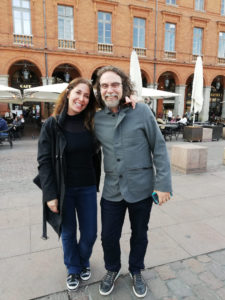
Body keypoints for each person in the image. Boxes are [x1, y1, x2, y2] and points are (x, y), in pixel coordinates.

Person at [94, 66, 172, 298]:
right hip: (112, 189)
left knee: (140, 233)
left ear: (124, 87)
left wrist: (164, 184)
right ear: (99, 90)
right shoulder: (96, 118)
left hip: (141, 187)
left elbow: (158, 147)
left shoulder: (143, 112)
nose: (110, 90)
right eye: (105, 86)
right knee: (108, 235)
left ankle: (136, 270)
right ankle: (112, 268)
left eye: (115, 85)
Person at [36, 78, 101, 291]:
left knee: (90, 233)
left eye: (86, 96)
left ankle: (82, 260)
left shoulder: (91, 122)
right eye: (78, 93)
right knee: (68, 232)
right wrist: (50, 194)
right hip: (64, 189)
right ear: (68, 92)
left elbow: (115, 112)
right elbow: (44, 162)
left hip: (88, 186)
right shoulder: (51, 125)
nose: (81, 99)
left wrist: (130, 100)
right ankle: (73, 268)